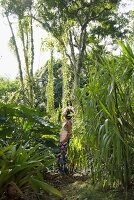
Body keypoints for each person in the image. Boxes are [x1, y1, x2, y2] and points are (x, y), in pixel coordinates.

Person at [57, 107, 74, 175]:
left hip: (64, 142)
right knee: (61, 156)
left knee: (62, 157)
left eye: (64, 112)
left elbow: (69, 134)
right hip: (62, 141)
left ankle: (64, 173)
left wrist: (63, 141)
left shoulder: (69, 123)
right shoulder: (65, 122)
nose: (63, 113)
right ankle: (64, 172)